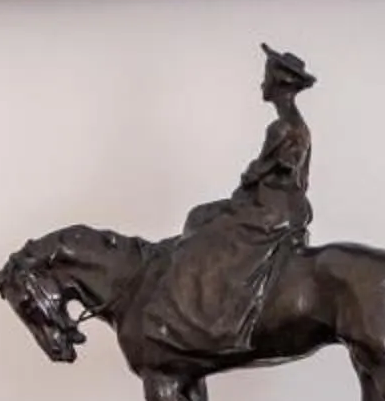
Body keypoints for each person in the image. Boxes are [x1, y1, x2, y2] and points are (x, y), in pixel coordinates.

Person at [132, 46, 317, 356]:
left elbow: (265, 170)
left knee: (208, 235)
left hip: (274, 208)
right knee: (200, 216)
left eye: (265, 79)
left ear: (279, 84)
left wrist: (248, 177)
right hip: (276, 202)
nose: (262, 85)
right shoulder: (291, 124)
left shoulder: (283, 128)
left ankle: (213, 316)